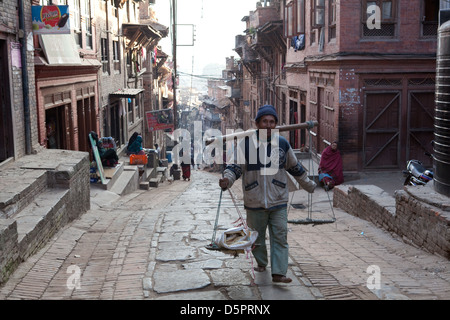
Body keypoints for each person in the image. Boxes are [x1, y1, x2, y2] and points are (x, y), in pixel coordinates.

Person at [218, 105, 316, 283]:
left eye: (272, 122)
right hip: (254, 200)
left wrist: (309, 185)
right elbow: (234, 168)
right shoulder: (246, 144)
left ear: (276, 124)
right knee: (257, 238)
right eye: (265, 121)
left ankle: (279, 272)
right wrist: (227, 180)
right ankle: (261, 262)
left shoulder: (283, 144)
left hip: (278, 199)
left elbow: (295, 168)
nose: (269, 125)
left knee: (280, 236)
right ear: (257, 123)